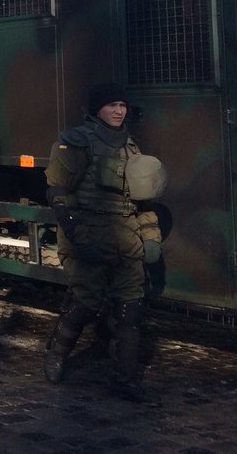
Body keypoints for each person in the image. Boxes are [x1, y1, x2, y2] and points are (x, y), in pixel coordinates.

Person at [42, 82, 167, 404]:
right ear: (97, 108)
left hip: (127, 239)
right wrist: (76, 237)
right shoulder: (76, 143)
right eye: (112, 104)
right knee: (84, 304)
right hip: (88, 234)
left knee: (131, 310)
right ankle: (56, 354)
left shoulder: (132, 148)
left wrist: (151, 238)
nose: (118, 111)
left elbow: (144, 204)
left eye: (122, 105)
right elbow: (58, 194)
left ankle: (124, 380)